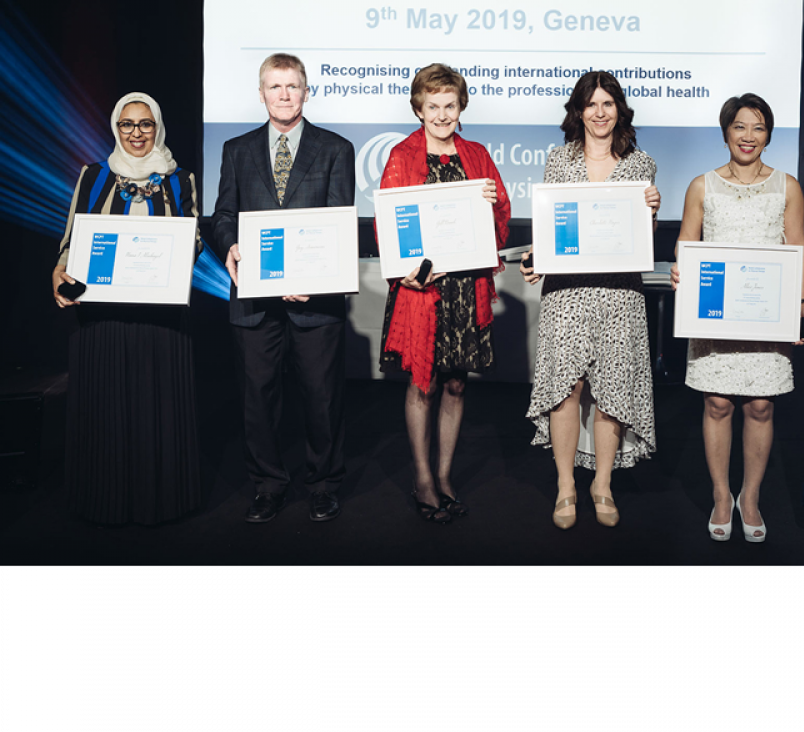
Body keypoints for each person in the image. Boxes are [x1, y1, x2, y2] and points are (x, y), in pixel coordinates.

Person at [214, 53, 356, 524]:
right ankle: (269, 486)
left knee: (321, 398)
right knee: (257, 399)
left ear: (306, 92)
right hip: (254, 299)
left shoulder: (336, 148)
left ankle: (323, 485)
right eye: (274, 87)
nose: (284, 95)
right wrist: (229, 244)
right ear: (261, 94)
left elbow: (339, 221)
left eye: (292, 86)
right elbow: (223, 214)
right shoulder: (236, 149)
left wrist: (314, 276)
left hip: (316, 299)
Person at [52, 93, 201, 525]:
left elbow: (192, 241)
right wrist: (59, 270)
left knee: (157, 406)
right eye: (127, 124)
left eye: (146, 124)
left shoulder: (180, 179)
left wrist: (171, 254)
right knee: (105, 406)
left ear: (158, 127)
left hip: (161, 317)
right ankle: (102, 499)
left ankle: (162, 500)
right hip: (102, 318)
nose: (137, 133)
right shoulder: (94, 175)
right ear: (116, 128)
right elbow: (72, 235)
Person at [672, 94, 804, 543]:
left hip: (766, 316)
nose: (748, 136)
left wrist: (803, 304)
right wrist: (681, 269)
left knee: (760, 405)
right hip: (715, 315)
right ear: (725, 132)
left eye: (758, 127)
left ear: (768, 135)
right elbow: (686, 243)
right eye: (739, 126)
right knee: (717, 404)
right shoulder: (702, 185)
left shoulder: (787, 186)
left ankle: (749, 498)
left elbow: (798, 248)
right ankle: (721, 495)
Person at [521, 71, 660, 529]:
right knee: (566, 387)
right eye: (591, 104)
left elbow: (641, 240)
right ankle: (565, 485)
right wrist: (535, 257)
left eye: (608, 103)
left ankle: (602, 483)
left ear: (619, 109)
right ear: (578, 111)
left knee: (612, 390)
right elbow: (550, 229)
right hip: (567, 291)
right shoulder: (558, 160)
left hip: (620, 293)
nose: (600, 113)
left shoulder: (641, 165)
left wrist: (652, 212)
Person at [378, 64, 510, 523]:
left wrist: (492, 204)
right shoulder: (401, 156)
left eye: (449, 105)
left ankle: (445, 476)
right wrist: (404, 272)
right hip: (422, 289)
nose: (441, 114)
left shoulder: (476, 155)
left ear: (461, 107)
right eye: (432, 106)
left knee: (455, 383)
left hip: (465, 288)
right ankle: (422, 478)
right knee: (425, 383)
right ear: (418, 109)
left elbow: (500, 219)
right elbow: (389, 225)